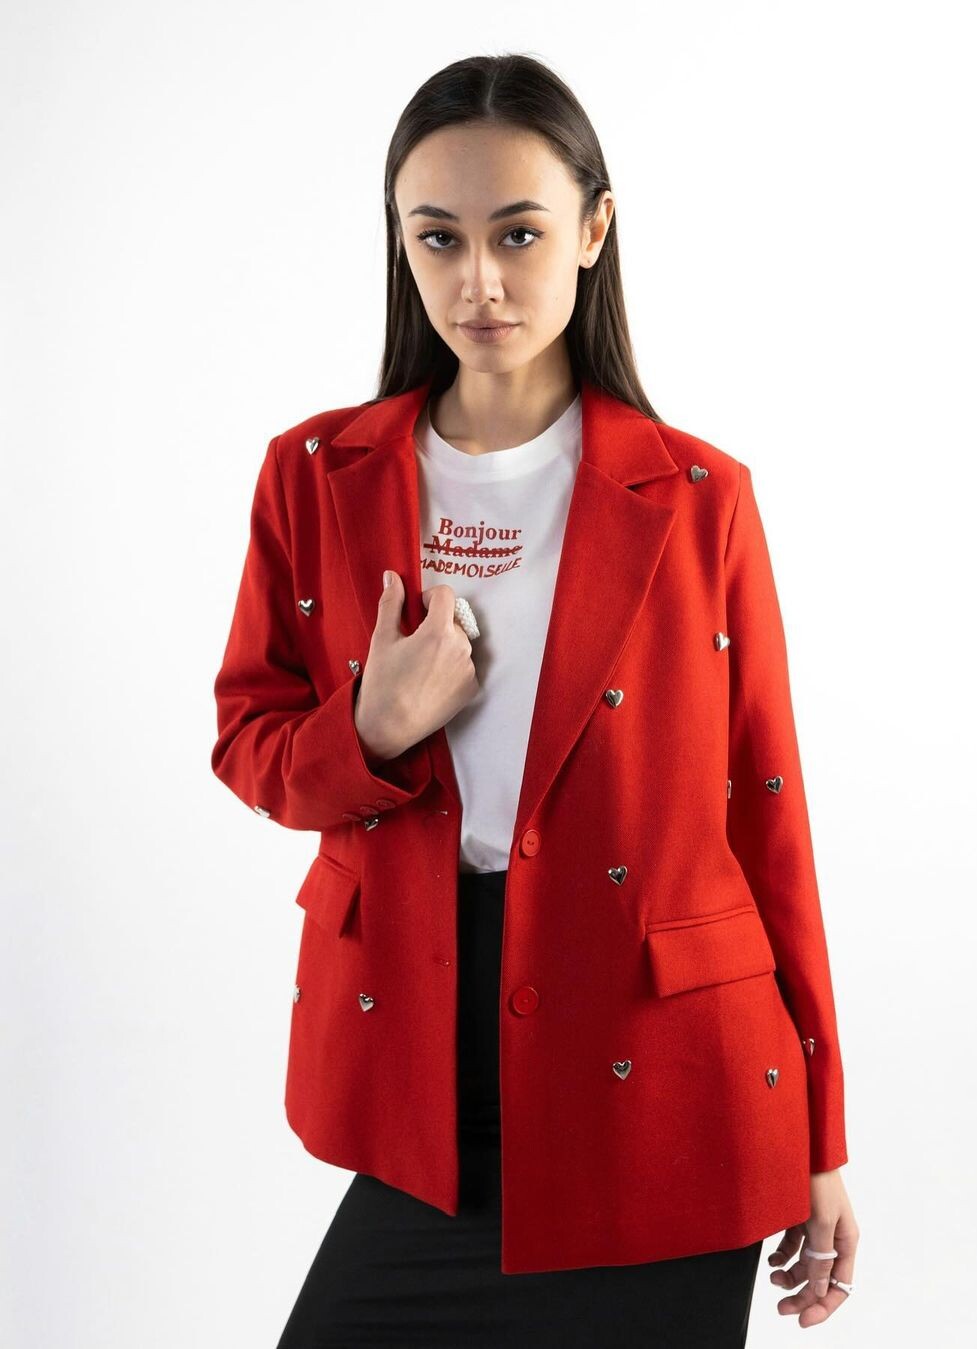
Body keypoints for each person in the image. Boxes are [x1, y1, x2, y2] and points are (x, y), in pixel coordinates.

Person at [211, 52, 859, 1347]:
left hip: (667, 1085)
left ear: (595, 231)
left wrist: (823, 1131)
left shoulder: (699, 498)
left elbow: (766, 813)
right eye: (437, 238)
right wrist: (374, 729)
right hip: (420, 1060)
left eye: (518, 233)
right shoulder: (313, 474)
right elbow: (247, 741)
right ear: (400, 243)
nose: (479, 282)